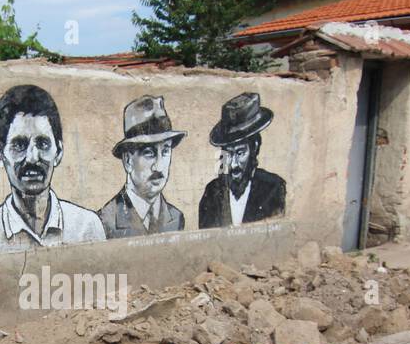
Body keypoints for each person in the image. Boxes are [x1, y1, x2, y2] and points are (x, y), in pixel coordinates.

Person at [0, 84, 105, 251]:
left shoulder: (86, 228)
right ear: (0, 153)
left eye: (43, 144)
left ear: (58, 152)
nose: (32, 157)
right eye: (19, 145)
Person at [98, 96, 186, 238]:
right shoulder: (104, 222)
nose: (158, 166)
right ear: (128, 160)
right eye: (149, 153)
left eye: (165, 152)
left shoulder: (176, 218)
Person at [198, 92, 286, 228]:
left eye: (240, 153)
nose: (233, 164)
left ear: (254, 148)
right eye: (228, 154)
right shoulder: (212, 193)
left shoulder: (272, 188)